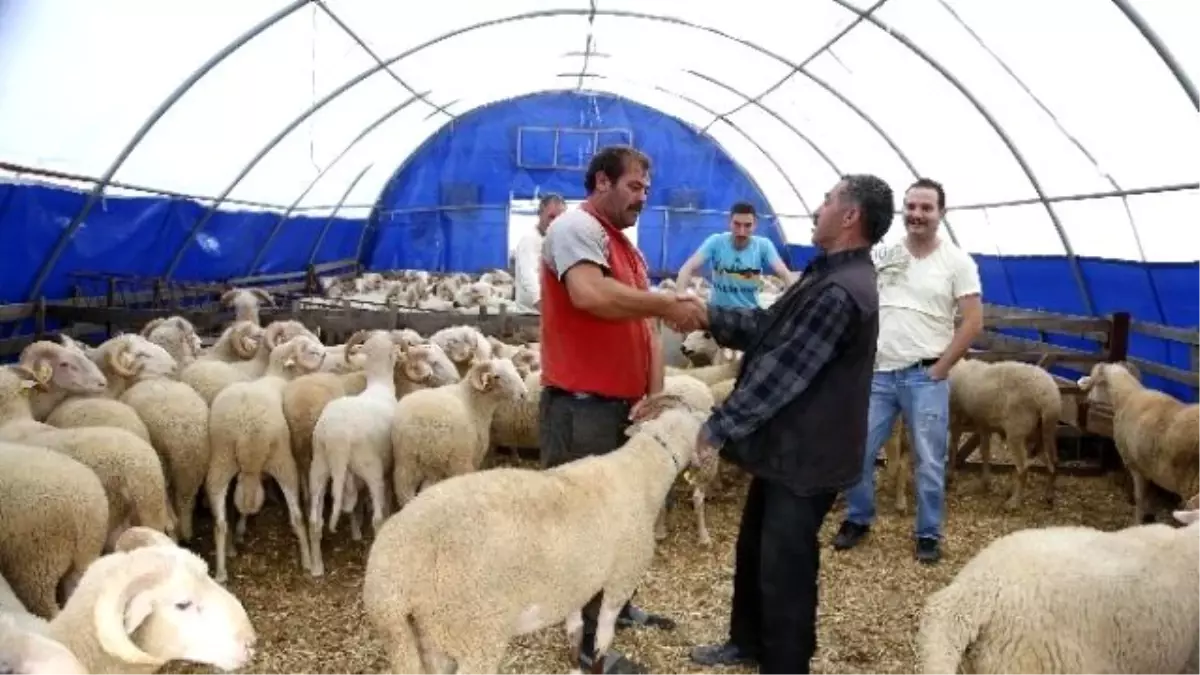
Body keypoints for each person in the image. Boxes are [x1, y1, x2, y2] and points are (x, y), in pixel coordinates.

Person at [676, 174, 896, 674]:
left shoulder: (843, 291)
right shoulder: (825, 275)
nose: (817, 207)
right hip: (787, 449)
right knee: (756, 547)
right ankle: (747, 641)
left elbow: (783, 371)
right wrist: (706, 313)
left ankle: (785, 664)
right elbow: (766, 327)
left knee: (787, 569)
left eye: (827, 199)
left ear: (849, 217)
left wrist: (718, 425)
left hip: (808, 457)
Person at [538, 144, 703, 675]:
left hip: (623, 408)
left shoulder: (626, 250)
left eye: (647, 190)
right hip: (581, 408)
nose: (643, 198)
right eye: (634, 187)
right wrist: (665, 301)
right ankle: (587, 646)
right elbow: (588, 296)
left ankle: (618, 607)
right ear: (602, 181)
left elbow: (645, 330)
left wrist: (653, 396)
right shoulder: (574, 229)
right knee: (586, 525)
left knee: (624, 521)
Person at [832, 177, 983, 564]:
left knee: (929, 459)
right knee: (858, 450)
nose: (917, 214)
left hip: (924, 375)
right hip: (879, 375)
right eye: (911, 207)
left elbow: (972, 321)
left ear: (941, 213)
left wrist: (942, 368)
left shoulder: (957, 262)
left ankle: (928, 532)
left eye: (926, 208)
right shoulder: (884, 255)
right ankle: (859, 517)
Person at [675, 201, 796, 308]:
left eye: (747, 225)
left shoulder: (763, 245)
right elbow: (688, 268)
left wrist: (793, 300)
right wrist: (680, 294)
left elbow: (784, 273)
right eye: (737, 224)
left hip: (749, 314)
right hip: (718, 312)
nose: (741, 231)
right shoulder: (716, 242)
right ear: (729, 223)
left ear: (755, 225)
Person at [511, 193, 566, 311]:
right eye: (551, 216)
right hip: (531, 315)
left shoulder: (559, 242)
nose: (555, 222)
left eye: (560, 218)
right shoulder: (529, 240)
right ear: (540, 214)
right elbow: (529, 275)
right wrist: (542, 304)